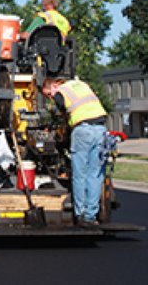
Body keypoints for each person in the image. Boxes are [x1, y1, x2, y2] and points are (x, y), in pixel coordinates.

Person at [42, 77, 108, 227]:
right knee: (95, 174)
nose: (51, 98)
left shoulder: (61, 91)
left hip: (83, 131)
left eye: (49, 94)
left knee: (80, 174)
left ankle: (80, 215)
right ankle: (91, 216)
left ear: (54, 85)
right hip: (101, 130)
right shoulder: (81, 84)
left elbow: (61, 107)